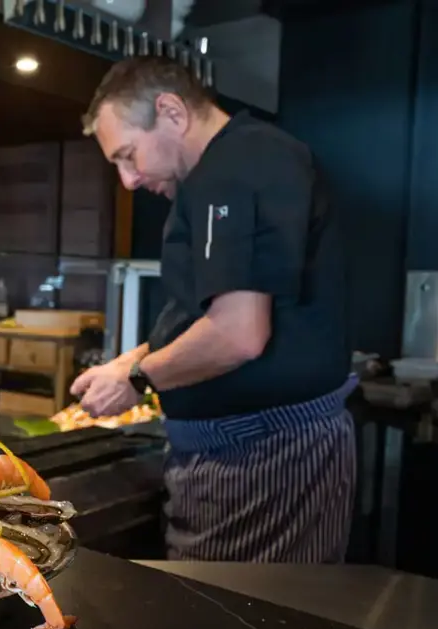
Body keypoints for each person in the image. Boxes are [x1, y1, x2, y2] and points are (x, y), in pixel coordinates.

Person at [71, 56, 355, 562]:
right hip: (249, 448)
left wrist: (136, 379)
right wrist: (126, 362)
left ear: (172, 112)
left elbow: (238, 334)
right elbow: (205, 317)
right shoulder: (227, 170)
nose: (129, 180)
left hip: (261, 456)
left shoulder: (237, 166)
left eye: (129, 155)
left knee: (235, 627)